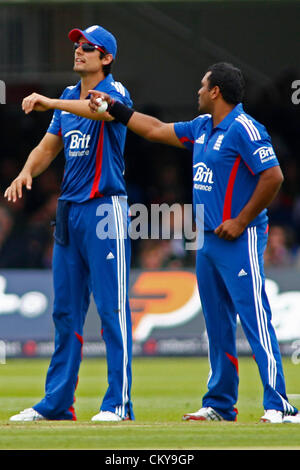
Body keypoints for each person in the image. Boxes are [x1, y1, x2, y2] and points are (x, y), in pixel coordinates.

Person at [88, 61, 300, 424]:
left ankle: (280, 404)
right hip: (207, 240)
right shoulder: (202, 127)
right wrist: (115, 108)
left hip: (239, 238)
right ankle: (219, 403)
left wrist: (241, 220)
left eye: (203, 86)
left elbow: (273, 176)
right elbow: (154, 129)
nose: (198, 92)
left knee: (255, 319)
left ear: (216, 91)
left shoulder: (245, 128)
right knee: (217, 325)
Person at [6, 25, 134, 422]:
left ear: (106, 58)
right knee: (64, 312)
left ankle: (118, 402)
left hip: (104, 211)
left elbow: (98, 110)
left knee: (112, 309)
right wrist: (26, 171)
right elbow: (49, 146)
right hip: (69, 211)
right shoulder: (65, 97)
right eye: (77, 46)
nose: (78, 52)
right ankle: (57, 403)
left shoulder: (117, 92)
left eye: (88, 48)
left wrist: (48, 101)